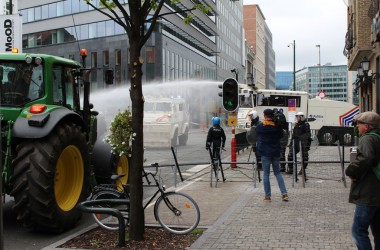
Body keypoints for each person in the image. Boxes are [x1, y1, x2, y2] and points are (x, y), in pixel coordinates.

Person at [345, 111, 380, 250]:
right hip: (377, 192)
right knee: (378, 231)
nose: (357, 127)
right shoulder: (378, 137)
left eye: (359, 124)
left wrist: (350, 171)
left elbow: (365, 158)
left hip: (368, 192)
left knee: (359, 231)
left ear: (366, 126)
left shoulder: (367, 139)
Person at [256, 109, 289, 202]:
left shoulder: (261, 126)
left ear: (265, 116)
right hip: (276, 152)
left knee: (266, 174)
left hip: (265, 153)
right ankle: (284, 194)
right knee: (277, 173)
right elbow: (281, 135)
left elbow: (257, 133)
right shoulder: (277, 127)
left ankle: (268, 196)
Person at [286, 111, 311, 177]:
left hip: (302, 143)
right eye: (297, 117)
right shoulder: (296, 124)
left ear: (302, 117)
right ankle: (291, 169)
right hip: (295, 142)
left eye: (298, 117)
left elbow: (308, 134)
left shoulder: (306, 124)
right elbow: (294, 134)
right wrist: (291, 143)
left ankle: (303, 170)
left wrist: (301, 139)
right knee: (291, 155)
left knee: (304, 157)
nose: (297, 118)